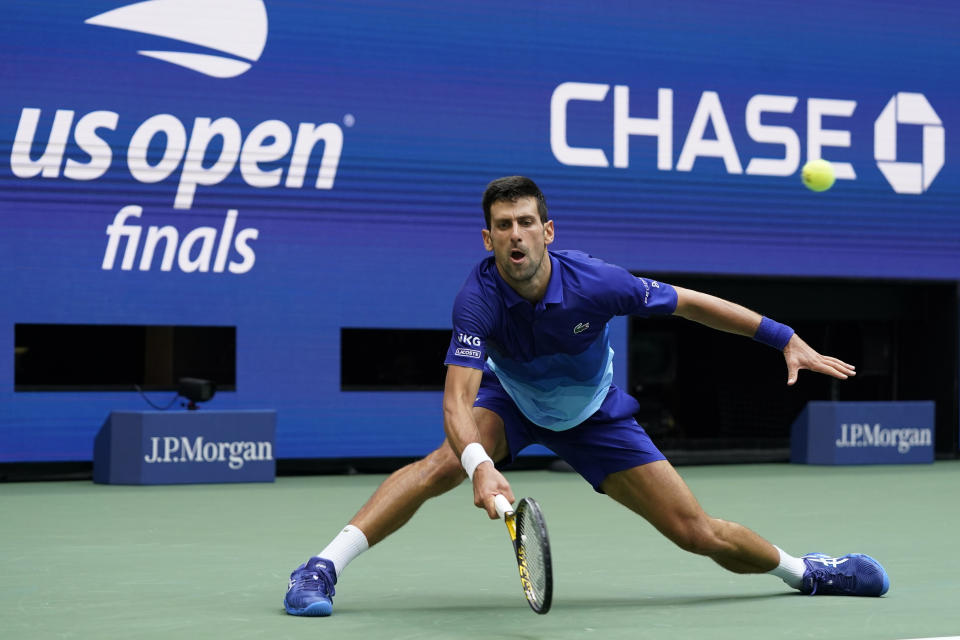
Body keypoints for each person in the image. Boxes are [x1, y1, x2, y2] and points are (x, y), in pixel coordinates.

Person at [283, 176, 889, 616]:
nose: (515, 236)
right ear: (488, 238)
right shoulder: (478, 298)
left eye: (526, 223)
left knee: (695, 531)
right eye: (503, 226)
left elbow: (692, 304)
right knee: (440, 463)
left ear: (547, 231)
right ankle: (320, 568)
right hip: (512, 402)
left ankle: (808, 572)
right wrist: (480, 467)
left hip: (593, 415)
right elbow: (456, 403)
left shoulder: (597, 283)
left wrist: (783, 338)